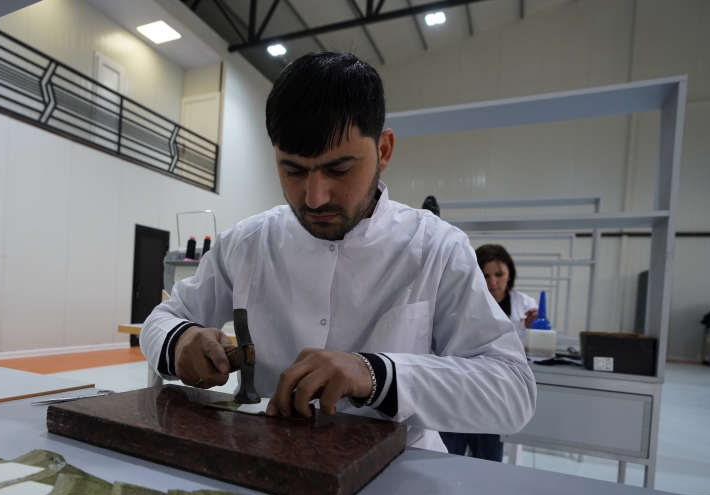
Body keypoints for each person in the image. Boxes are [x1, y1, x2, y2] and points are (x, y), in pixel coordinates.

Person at [141, 52, 536, 452]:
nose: (315, 198)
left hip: (399, 471)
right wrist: (179, 341)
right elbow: (163, 319)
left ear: (384, 150)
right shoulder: (248, 243)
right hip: (266, 460)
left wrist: (378, 374)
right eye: (293, 170)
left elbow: (512, 390)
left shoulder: (436, 247)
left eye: (340, 170)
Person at [440, 244, 537, 461]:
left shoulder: (525, 305)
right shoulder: (461, 302)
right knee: (448, 455)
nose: (493, 282)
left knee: (488, 458)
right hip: (460, 387)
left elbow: (530, 347)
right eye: (485, 275)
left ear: (509, 273)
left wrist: (533, 327)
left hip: (495, 392)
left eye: (499, 274)